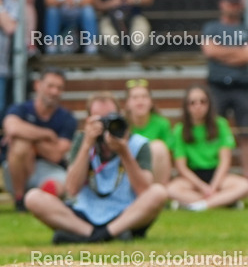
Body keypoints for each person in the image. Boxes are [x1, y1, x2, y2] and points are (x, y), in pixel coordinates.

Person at [24, 93, 166, 243]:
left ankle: (92, 235)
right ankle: (99, 234)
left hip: (125, 213)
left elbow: (144, 190)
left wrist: (124, 153)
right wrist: (86, 145)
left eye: (110, 118)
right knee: (33, 197)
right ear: (89, 121)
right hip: (86, 213)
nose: (105, 125)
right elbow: (72, 189)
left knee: (159, 192)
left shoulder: (137, 144)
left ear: (120, 116)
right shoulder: (83, 140)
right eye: (99, 120)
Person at [201, 0, 248, 180]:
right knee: (214, 130)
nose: (233, 6)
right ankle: (215, 174)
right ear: (222, 4)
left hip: (242, 86)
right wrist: (237, 53)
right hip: (217, 86)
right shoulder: (211, 27)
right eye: (229, 2)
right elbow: (209, 51)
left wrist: (222, 53)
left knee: (247, 132)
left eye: (236, 3)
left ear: (240, 6)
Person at [166, 86, 248, 210]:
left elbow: (225, 161)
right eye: (193, 103)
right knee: (170, 189)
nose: (198, 106)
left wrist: (213, 186)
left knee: (245, 185)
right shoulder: (180, 129)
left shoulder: (221, 124)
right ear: (186, 107)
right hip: (193, 178)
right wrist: (203, 187)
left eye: (203, 101)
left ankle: (200, 204)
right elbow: (182, 167)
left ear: (209, 104)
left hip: (217, 175)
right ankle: (222, 200)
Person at [1, 69, 76, 211]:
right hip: (16, 172)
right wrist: (46, 134)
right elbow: (12, 128)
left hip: (49, 170)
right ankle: (19, 198)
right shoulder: (20, 108)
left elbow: (56, 155)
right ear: (37, 85)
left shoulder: (67, 118)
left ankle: (37, 199)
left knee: (58, 185)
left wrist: (28, 137)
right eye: (50, 86)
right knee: (21, 145)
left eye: (59, 88)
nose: (54, 92)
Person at [124, 79, 173, 184]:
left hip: (154, 175)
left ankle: (158, 193)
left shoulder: (162, 123)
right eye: (135, 97)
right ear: (127, 103)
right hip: (128, 172)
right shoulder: (121, 125)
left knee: (158, 147)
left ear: (151, 102)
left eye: (144, 97)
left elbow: (169, 153)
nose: (140, 101)